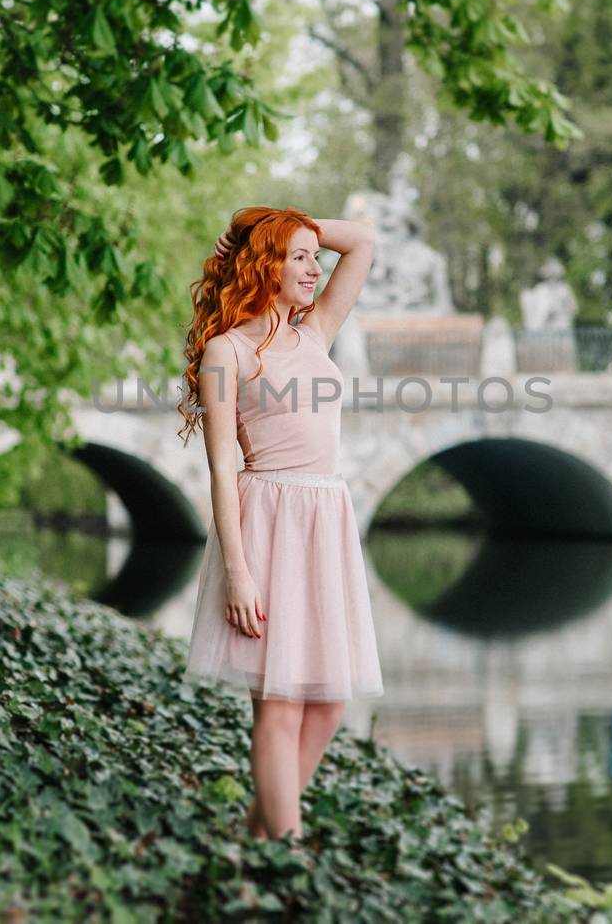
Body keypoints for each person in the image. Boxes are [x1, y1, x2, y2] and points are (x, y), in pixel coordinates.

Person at [175, 205, 384, 843]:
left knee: (328, 701)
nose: (314, 267)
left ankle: (260, 838)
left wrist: (287, 225)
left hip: (326, 521)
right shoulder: (225, 350)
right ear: (263, 267)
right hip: (269, 524)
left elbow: (365, 241)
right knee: (281, 700)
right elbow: (219, 467)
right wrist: (237, 573)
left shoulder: (317, 331)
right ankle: (287, 852)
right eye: (297, 257)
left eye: (313, 256)